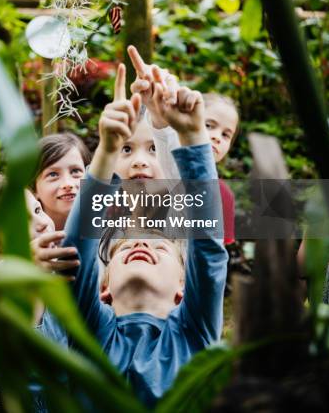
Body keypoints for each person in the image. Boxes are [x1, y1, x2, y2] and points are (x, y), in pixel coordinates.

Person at [45, 63, 227, 407]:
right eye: (125, 247)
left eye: (160, 245)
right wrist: (106, 151)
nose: (142, 241)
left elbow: (208, 245)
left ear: (183, 288)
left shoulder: (194, 334)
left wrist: (192, 137)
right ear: (103, 288)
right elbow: (77, 251)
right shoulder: (90, 334)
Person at [128, 45, 239, 246]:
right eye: (208, 125)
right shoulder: (164, 179)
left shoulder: (225, 195)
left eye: (226, 134)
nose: (216, 137)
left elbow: (215, 253)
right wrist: (158, 115)